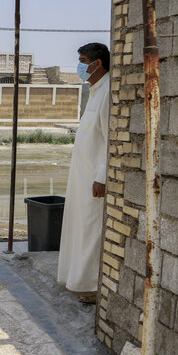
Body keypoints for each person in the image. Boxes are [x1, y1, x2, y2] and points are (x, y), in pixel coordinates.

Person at [57, 42, 110, 304]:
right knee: (80, 229)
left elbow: (112, 139)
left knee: (91, 231)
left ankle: (94, 286)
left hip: (94, 180)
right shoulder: (95, 90)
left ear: (97, 63)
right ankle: (80, 280)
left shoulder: (108, 91)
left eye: (82, 60)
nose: (79, 66)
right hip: (82, 177)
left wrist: (102, 176)